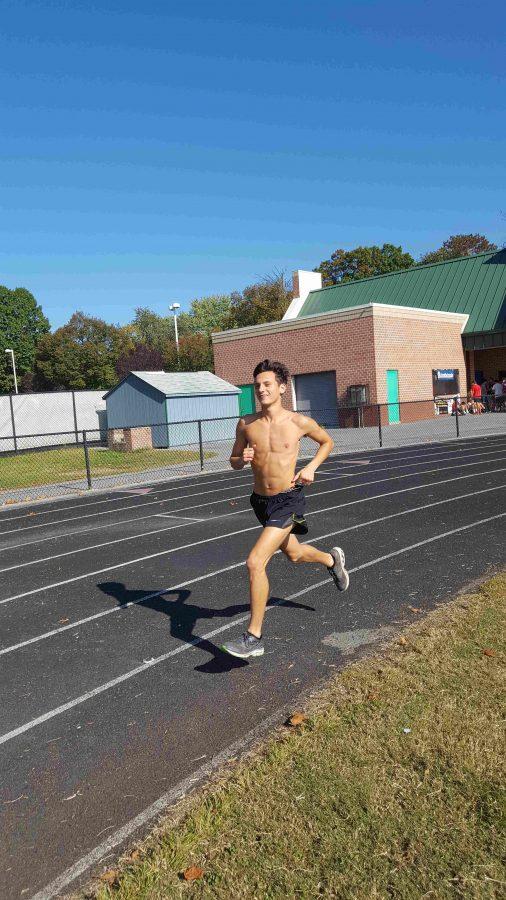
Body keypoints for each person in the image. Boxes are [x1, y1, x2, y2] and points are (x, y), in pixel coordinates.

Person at [220, 359, 349, 660]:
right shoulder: (246, 424)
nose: (261, 389)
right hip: (260, 502)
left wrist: (312, 467)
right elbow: (234, 460)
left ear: (281, 387)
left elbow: (327, 442)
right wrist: (243, 458)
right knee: (293, 554)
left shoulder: (298, 423)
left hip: (288, 499)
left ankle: (254, 637)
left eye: (267, 384)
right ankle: (332, 560)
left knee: (255, 562)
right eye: (257, 385)